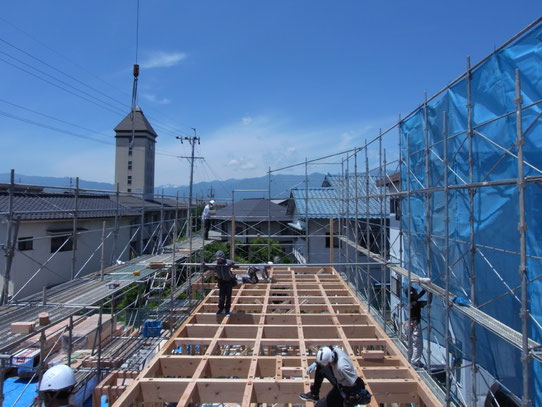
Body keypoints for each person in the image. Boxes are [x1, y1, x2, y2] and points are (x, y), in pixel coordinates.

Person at [300, 346, 371, 406]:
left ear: (330, 361)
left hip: (345, 390)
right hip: (339, 383)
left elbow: (357, 382)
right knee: (321, 367)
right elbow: (328, 349)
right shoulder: (333, 350)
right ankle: (314, 394)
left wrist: (359, 396)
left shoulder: (342, 367)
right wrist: (316, 363)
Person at [202, 250, 237, 315]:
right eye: (217, 259)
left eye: (220, 259)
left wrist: (232, 265)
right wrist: (204, 265)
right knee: (221, 297)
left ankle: (227, 309)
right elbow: (209, 267)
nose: (218, 260)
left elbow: (237, 266)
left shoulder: (228, 262)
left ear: (223, 258)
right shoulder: (216, 264)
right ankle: (220, 309)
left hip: (229, 281)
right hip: (221, 281)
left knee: (228, 296)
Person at [406, 286, 432, 368]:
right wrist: (428, 292)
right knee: (417, 344)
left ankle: (410, 358)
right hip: (415, 324)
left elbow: (418, 297)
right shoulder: (415, 304)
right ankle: (415, 361)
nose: (417, 294)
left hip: (409, 324)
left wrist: (424, 291)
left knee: (411, 342)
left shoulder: (410, 303)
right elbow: (428, 302)